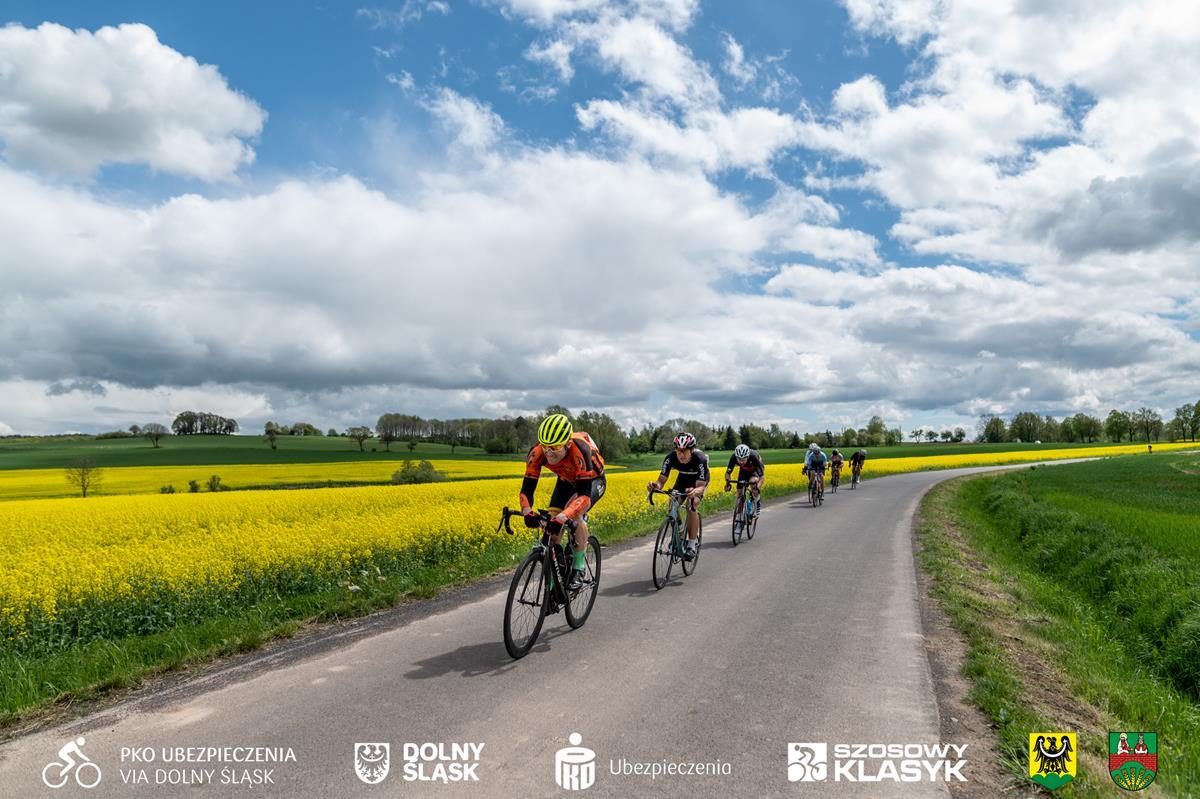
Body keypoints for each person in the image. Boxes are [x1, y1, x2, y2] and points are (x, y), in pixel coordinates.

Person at [519, 413, 606, 591]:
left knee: (574, 516)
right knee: (552, 531)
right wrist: (527, 511)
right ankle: (554, 584)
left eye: (555, 446)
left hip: (592, 481)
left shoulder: (580, 450)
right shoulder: (537, 452)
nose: (549, 452)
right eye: (545, 446)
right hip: (565, 481)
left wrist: (564, 516)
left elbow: (583, 496)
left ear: (567, 444)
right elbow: (527, 490)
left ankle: (579, 568)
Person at [647, 432, 709, 560]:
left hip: (698, 482)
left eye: (684, 451)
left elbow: (701, 486)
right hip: (683, 479)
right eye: (678, 450)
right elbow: (661, 480)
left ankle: (692, 545)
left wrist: (695, 491)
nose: (681, 454)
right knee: (672, 506)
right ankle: (680, 534)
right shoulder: (670, 457)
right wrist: (655, 486)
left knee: (691, 505)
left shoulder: (700, 458)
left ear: (691, 450)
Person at [724, 443, 765, 519]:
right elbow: (728, 473)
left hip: (754, 471)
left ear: (748, 457)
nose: (741, 462)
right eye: (739, 459)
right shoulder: (733, 457)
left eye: (743, 460)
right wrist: (727, 484)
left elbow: (762, 477)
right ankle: (738, 518)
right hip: (744, 471)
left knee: (753, 483)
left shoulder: (753, 457)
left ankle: (756, 503)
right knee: (739, 494)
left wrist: (757, 488)